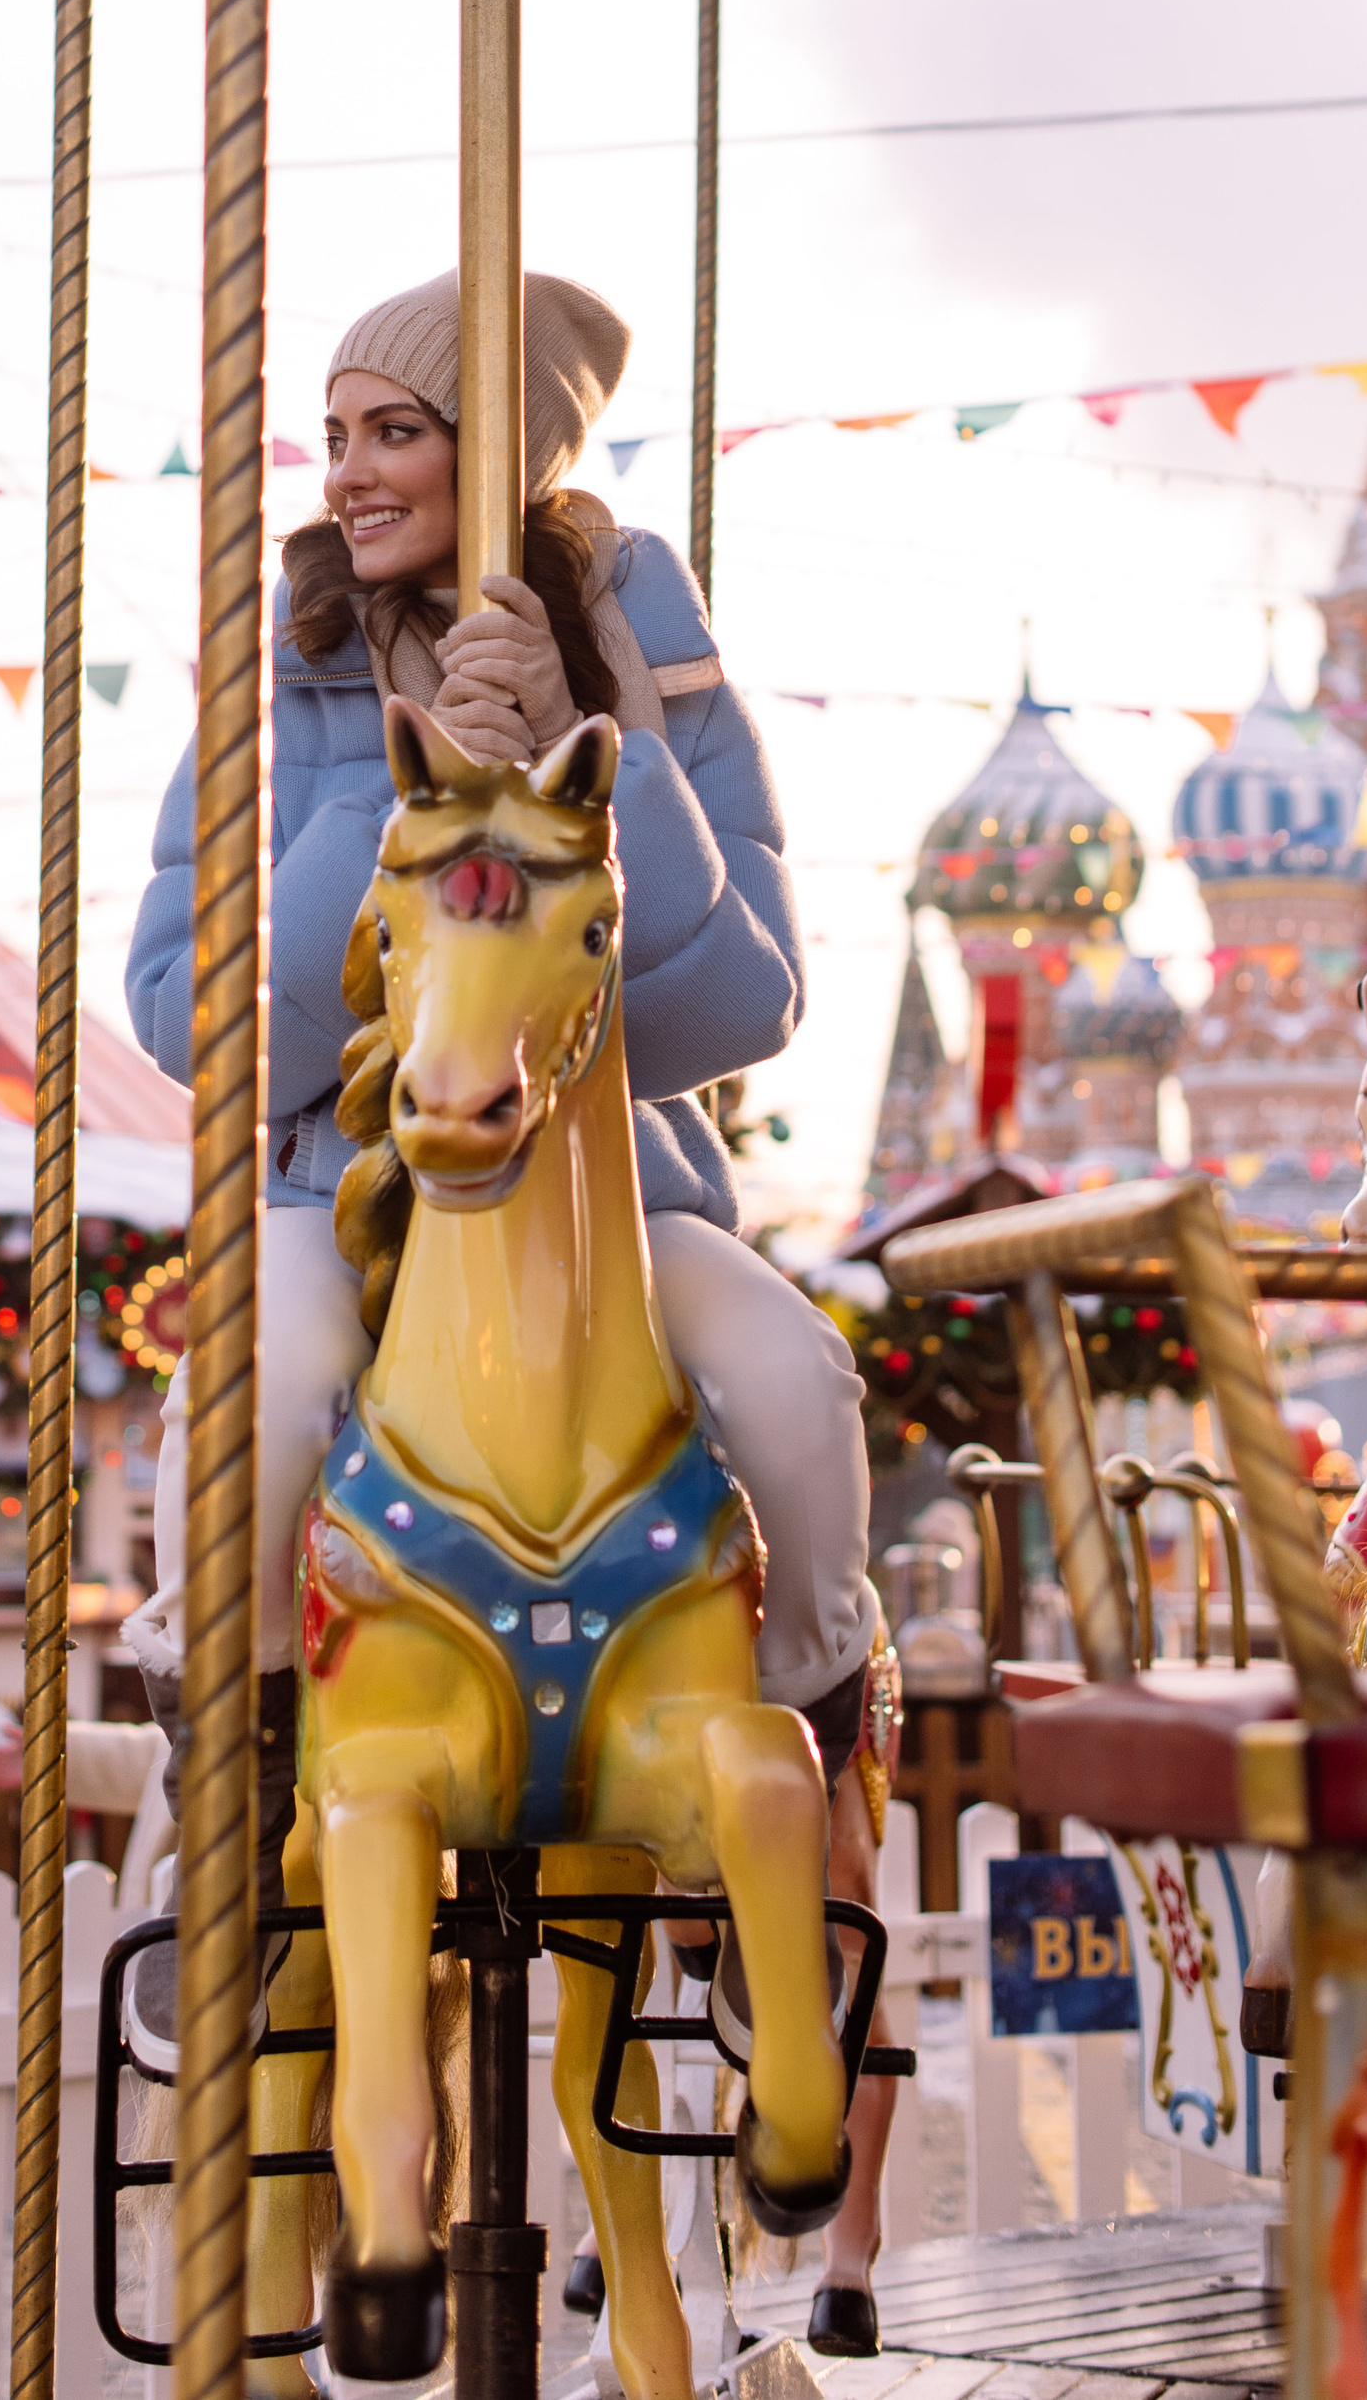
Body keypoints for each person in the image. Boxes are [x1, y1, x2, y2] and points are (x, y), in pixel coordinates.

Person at [124, 268, 883, 1805]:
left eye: (396, 428)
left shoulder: (653, 666)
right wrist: (389, 812)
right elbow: (177, 1013)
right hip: (341, 1184)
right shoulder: (278, 670)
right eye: (337, 429)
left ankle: (810, 1742)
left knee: (791, 1379)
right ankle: (245, 1780)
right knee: (261, 1400)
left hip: (611, 1196)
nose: (348, 470)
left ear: (502, 449)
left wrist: (599, 756)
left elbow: (747, 1002)